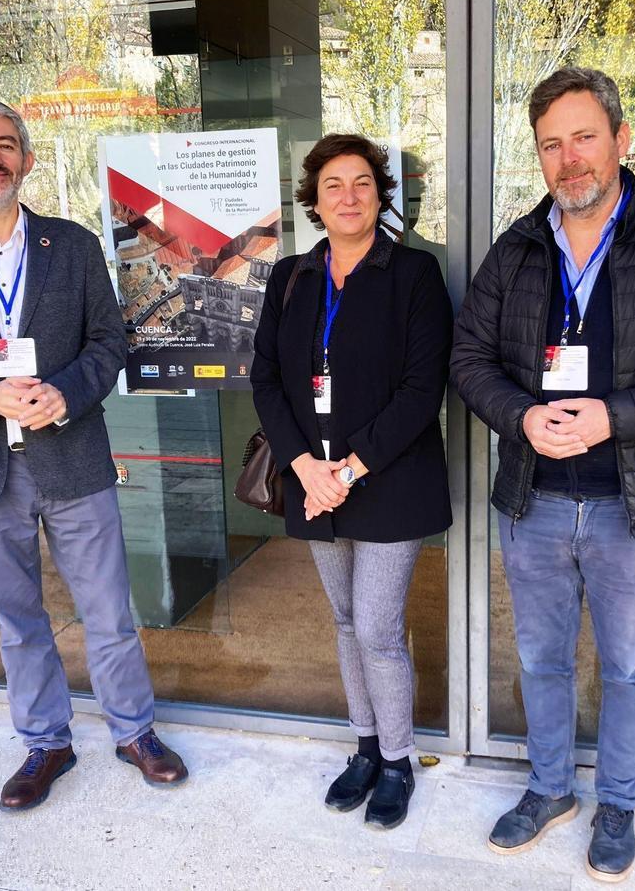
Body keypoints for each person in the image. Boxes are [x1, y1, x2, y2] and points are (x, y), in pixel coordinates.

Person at [450, 67, 635, 881]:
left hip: (632, 508)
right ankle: (551, 789)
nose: (569, 158)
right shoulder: (516, 248)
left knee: (626, 668)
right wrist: (520, 416)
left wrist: (612, 416)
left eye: (584, 137)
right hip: (534, 502)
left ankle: (618, 802)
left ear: (620, 140)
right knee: (542, 660)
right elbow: (469, 359)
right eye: (552, 144)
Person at [0, 99, 187, 812]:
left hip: (71, 453)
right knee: (17, 619)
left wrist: (66, 393)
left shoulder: (72, 245)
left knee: (108, 608)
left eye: (7, 144)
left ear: (25, 158)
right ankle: (46, 741)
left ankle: (134, 731)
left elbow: (109, 341)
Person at [251, 133, 452, 830]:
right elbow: (267, 379)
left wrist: (350, 468)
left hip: (387, 479)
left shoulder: (415, 274)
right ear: (314, 199)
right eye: (333, 184)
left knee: (376, 627)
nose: (348, 196)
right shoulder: (290, 279)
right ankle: (363, 747)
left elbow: (423, 389)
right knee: (345, 622)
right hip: (313, 481)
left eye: (362, 182)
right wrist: (304, 466)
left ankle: (397, 760)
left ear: (380, 194)